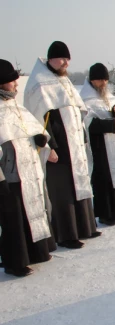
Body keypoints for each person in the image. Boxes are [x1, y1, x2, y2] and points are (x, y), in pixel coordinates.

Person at [24, 41, 100, 249]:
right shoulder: (39, 83)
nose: (66, 62)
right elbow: (39, 118)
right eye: (62, 58)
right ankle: (67, 235)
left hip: (73, 141)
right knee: (62, 190)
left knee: (80, 184)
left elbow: (77, 109)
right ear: (50, 59)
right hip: (57, 146)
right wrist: (51, 147)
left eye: (68, 59)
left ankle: (85, 227)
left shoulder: (63, 80)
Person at [0, 59, 56, 276]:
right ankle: (15, 262)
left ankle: (36, 252)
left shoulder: (15, 105)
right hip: (11, 175)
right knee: (13, 218)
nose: (16, 83)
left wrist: (40, 139)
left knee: (32, 210)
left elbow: (29, 129)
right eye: (12, 80)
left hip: (29, 171)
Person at [81, 63, 115, 226]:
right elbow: (85, 123)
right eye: (99, 80)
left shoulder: (110, 97)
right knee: (104, 178)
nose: (103, 83)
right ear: (92, 80)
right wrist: (109, 125)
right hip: (99, 146)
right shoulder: (85, 99)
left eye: (105, 80)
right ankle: (106, 214)